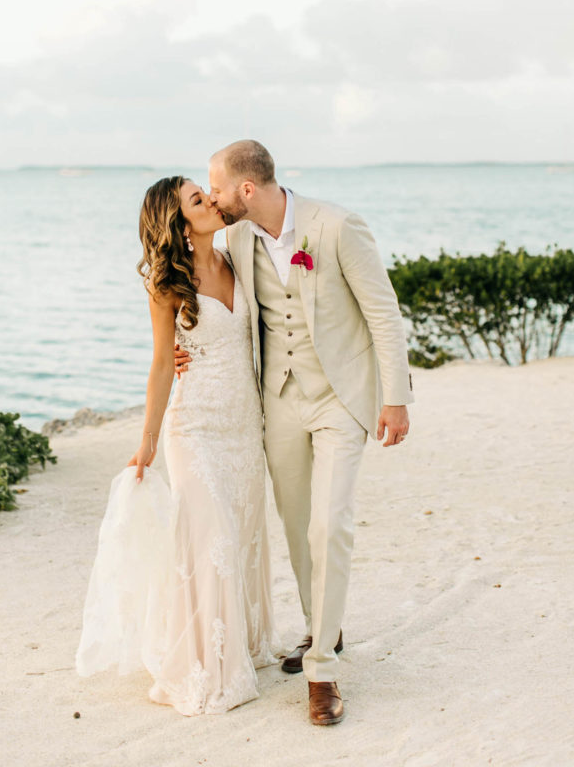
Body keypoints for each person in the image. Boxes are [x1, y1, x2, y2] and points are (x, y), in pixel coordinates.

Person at [175, 141, 414, 726]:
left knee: (330, 524)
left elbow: (384, 313)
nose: (211, 198)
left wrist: (396, 398)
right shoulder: (235, 238)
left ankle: (322, 670)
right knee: (297, 525)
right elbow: (192, 279)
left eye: (215, 187)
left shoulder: (336, 226)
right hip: (277, 401)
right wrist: (185, 347)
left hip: (339, 397)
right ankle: (321, 625)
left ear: (246, 189)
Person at [75, 176, 279, 715]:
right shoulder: (166, 285)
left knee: (241, 533)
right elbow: (164, 364)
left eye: (204, 193)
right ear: (180, 224)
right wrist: (145, 441)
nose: (211, 200)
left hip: (244, 426)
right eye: (197, 199)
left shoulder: (237, 256)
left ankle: (243, 642)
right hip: (195, 429)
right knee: (210, 537)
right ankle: (207, 664)